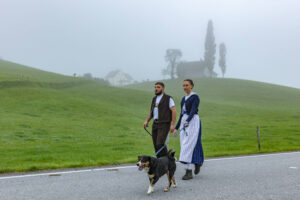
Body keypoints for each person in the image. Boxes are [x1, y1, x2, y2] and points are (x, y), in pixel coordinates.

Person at [173, 79, 204, 180]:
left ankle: (189, 171)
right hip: (184, 121)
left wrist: (188, 120)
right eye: (183, 85)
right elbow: (182, 114)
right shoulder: (183, 99)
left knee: (189, 144)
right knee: (184, 145)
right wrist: (176, 128)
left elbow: (194, 110)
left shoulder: (195, 97)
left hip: (193, 121)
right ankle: (197, 162)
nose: (184, 87)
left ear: (191, 86)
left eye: (186, 85)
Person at [143, 82, 176, 158]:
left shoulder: (168, 98)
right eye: (155, 87)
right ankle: (160, 162)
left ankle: (168, 160)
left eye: (158, 87)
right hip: (155, 124)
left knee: (160, 143)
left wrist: (173, 124)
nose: (156, 89)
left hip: (164, 124)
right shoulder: (154, 99)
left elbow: (173, 110)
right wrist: (147, 121)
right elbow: (151, 112)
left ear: (163, 89)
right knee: (155, 145)